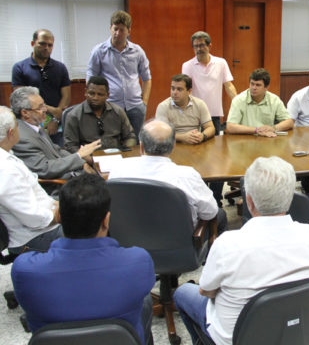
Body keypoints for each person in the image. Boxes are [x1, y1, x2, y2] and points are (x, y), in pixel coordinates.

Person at [173, 156, 309, 345]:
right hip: (291, 331)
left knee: (182, 293)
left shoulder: (227, 244)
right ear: (290, 198)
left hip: (236, 338)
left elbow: (206, 291)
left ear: (249, 201)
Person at [11, 174, 155, 345]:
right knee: (145, 302)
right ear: (106, 220)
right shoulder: (138, 261)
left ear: (59, 216)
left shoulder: (24, 269)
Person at [108, 119, 227, 233]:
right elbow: (210, 212)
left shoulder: (118, 170)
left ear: (141, 146)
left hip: (129, 240)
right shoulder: (187, 176)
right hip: (179, 246)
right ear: (173, 146)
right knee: (221, 215)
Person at [0, 106, 62, 255]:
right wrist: (61, 212)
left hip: (44, 220)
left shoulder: (7, 156)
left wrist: (58, 205)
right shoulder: (6, 169)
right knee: (97, 229)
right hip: (34, 237)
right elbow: (34, 218)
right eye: (17, 124)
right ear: (11, 133)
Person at [10, 87, 101, 179]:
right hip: (56, 185)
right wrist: (79, 155)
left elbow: (56, 150)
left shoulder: (35, 125)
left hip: (68, 174)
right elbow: (45, 169)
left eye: (44, 105)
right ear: (25, 113)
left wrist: (82, 163)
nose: (45, 109)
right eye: (40, 107)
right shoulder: (21, 138)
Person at [87, 10, 152, 138]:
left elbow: (147, 78)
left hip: (135, 107)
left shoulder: (137, 51)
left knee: (136, 142)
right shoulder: (99, 51)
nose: (117, 33)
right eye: (115, 29)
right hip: (110, 107)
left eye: (122, 30)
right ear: (110, 28)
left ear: (129, 31)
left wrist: (144, 102)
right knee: (112, 142)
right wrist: (95, 101)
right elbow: (91, 79)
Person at [12, 29, 71, 145]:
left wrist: (55, 119)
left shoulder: (60, 67)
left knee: (59, 154)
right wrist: (49, 113)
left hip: (56, 125)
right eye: (42, 43)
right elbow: (21, 100)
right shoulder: (19, 68)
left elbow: (66, 96)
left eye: (50, 45)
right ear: (33, 43)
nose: (46, 48)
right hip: (30, 123)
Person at [63, 76, 137, 154]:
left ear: (107, 95)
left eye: (100, 94)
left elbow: (130, 136)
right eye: (91, 93)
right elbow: (70, 146)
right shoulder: (74, 116)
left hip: (115, 156)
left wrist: (125, 152)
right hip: (87, 159)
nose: (95, 98)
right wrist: (88, 160)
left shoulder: (118, 112)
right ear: (85, 93)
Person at [182, 31, 237, 134]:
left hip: (214, 113)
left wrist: (238, 103)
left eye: (202, 45)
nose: (198, 49)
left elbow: (228, 86)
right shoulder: (187, 66)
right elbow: (185, 90)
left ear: (209, 46)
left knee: (214, 146)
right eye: (196, 46)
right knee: (194, 146)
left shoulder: (221, 63)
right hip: (194, 114)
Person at [226, 68, 293, 137]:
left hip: (267, 139)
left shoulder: (274, 100)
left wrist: (273, 128)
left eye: (258, 85)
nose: (253, 88)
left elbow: (289, 122)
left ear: (266, 87)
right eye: (252, 84)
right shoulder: (239, 100)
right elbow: (230, 127)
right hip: (245, 139)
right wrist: (256, 130)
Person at [156, 74, 215, 144]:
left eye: (179, 89)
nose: (174, 92)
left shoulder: (200, 104)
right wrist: (183, 137)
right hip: (172, 145)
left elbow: (211, 128)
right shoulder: (163, 106)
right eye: (172, 88)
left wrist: (202, 136)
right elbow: (160, 134)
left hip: (195, 143)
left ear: (189, 91)